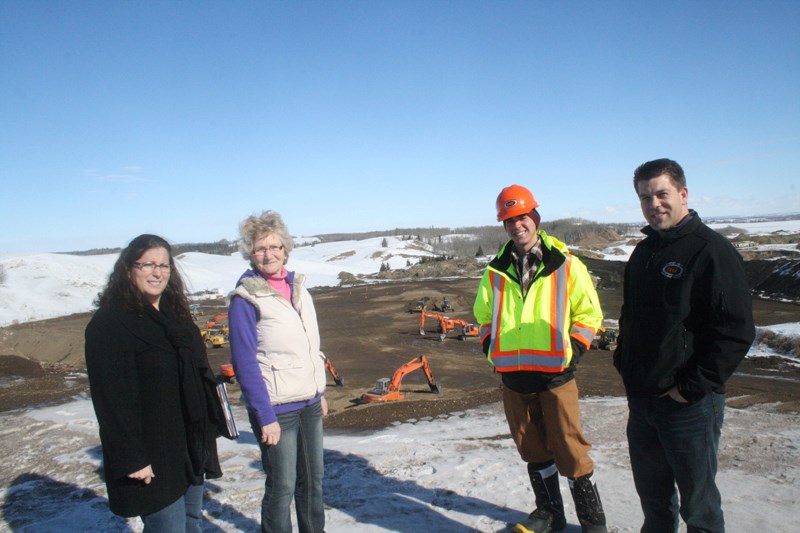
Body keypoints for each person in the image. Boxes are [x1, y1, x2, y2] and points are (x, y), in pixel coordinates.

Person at [614, 159, 755, 532]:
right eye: (645, 197)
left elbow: (736, 331)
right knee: (655, 504)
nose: (654, 203)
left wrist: (689, 388)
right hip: (643, 401)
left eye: (662, 194)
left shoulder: (710, 250)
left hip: (688, 406)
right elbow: (633, 319)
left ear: (683, 194)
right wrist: (625, 365)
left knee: (699, 509)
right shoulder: (644, 253)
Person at [473, 185, 608, 533]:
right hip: (514, 381)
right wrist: (492, 348)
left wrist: (571, 353)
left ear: (535, 217)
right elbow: (483, 317)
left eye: (522, 217)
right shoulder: (494, 271)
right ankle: (550, 515)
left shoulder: (565, 264)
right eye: (509, 220)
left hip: (555, 378)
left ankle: (593, 524)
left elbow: (590, 315)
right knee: (533, 451)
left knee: (572, 453)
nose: (517, 226)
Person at [85, 234, 222, 531]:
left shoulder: (177, 317)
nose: (157, 272)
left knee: (192, 522)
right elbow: (111, 401)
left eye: (163, 265)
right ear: (128, 269)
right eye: (148, 264)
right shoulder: (110, 324)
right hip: (152, 453)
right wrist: (132, 458)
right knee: (168, 528)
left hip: (189, 444)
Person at [228, 210, 327, 533]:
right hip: (277, 410)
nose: (268, 254)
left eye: (274, 246)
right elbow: (245, 364)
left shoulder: (298, 288)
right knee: (282, 486)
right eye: (260, 248)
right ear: (250, 253)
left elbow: (310, 345)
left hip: (309, 404)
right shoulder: (246, 299)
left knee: (313, 483)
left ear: (285, 248)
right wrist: (264, 415)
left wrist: (320, 391)